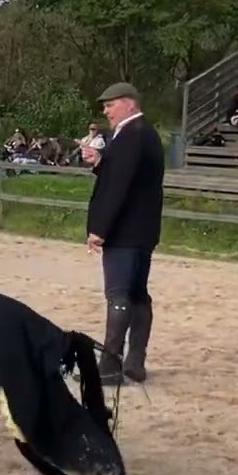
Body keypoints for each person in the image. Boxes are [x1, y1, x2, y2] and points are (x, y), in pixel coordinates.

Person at [81, 82, 165, 386]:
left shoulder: (131, 135)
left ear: (129, 103)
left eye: (110, 104)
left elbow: (120, 187)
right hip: (143, 230)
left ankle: (110, 365)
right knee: (137, 293)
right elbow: (125, 175)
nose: (105, 111)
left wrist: (100, 229)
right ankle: (135, 361)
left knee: (118, 294)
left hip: (125, 230)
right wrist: (102, 162)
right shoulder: (146, 134)